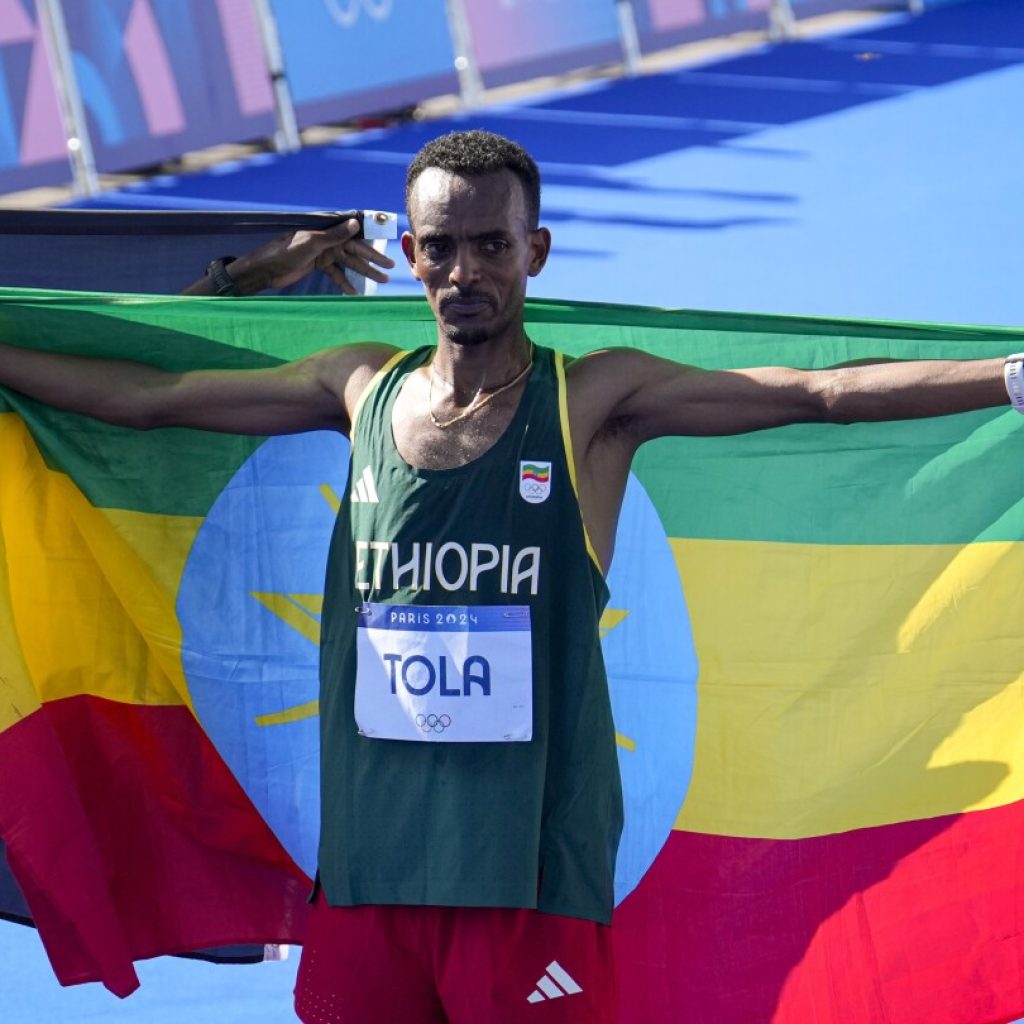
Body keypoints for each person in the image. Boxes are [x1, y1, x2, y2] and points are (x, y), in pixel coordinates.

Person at [0, 130, 1019, 1024]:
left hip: (525, 889)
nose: (465, 269)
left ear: (534, 250)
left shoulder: (594, 404)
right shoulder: (357, 388)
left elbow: (816, 393)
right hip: (370, 883)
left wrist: (1010, 376)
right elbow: (149, 399)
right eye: (439, 247)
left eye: (491, 243)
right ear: (409, 255)